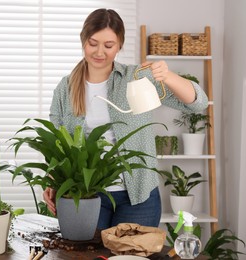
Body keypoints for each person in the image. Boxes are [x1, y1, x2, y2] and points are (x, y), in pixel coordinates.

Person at [43, 8, 209, 230]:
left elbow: (199, 103)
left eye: (109, 45)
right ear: (83, 40)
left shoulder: (137, 77)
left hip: (138, 195)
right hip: (85, 195)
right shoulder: (65, 88)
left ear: (120, 45)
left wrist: (167, 76)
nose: (99, 52)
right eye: (93, 43)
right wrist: (53, 181)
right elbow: (57, 144)